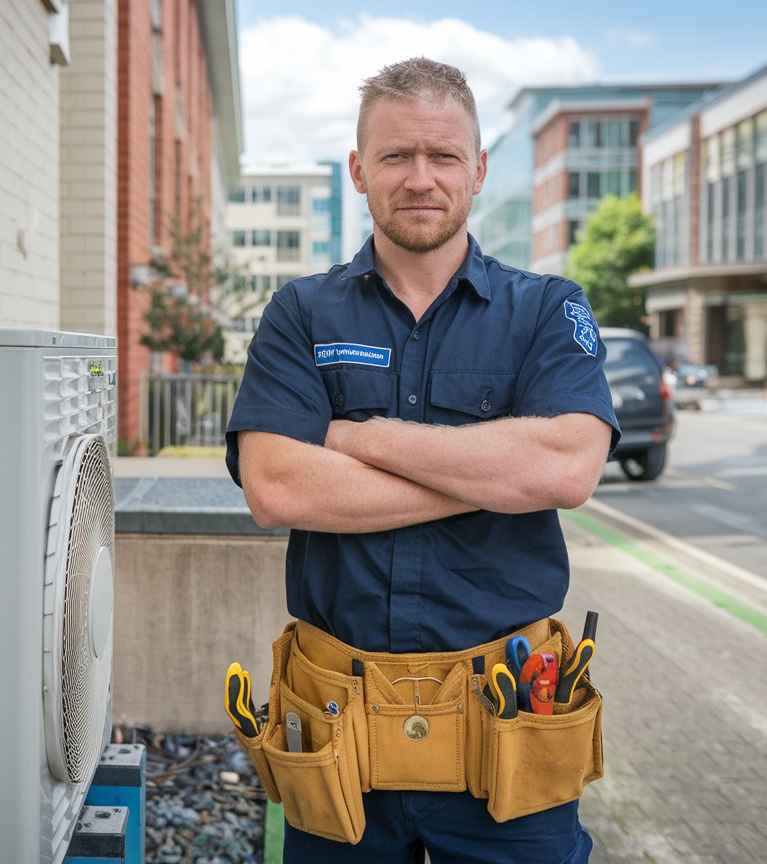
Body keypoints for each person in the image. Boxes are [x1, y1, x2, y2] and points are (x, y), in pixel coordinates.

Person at [225, 57, 619, 863]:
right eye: (396, 156)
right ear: (359, 170)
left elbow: (565, 471)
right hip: (337, 727)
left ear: (476, 171)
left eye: (443, 157)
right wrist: (495, 473)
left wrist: (357, 436)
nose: (420, 178)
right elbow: (274, 485)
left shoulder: (548, 309)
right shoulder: (300, 312)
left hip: (508, 723)